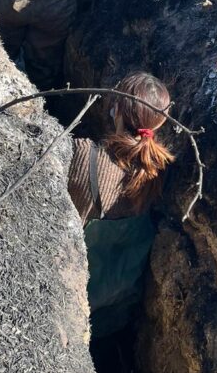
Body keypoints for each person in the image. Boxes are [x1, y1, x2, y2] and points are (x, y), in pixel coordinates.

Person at [67, 72, 175, 338]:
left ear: (116, 109)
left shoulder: (84, 156)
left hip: (79, 296)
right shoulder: (160, 168)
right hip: (120, 298)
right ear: (160, 121)